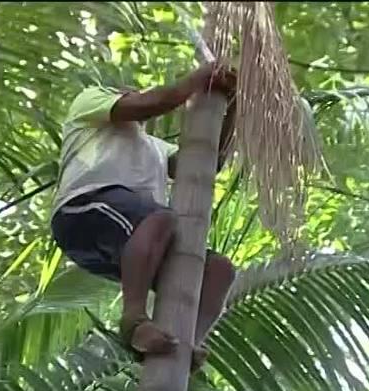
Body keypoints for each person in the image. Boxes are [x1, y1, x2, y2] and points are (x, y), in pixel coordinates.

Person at [50, 62, 237, 370]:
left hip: (134, 239)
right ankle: (133, 321)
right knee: (160, 218)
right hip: (82, 211)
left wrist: (230, 109)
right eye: (129, 93)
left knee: (218, 271)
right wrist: (196, 81)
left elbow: (208, 161)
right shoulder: (89, 102)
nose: (134, 94)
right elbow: (152, 104)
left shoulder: (154, 148)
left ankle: (186, 344)